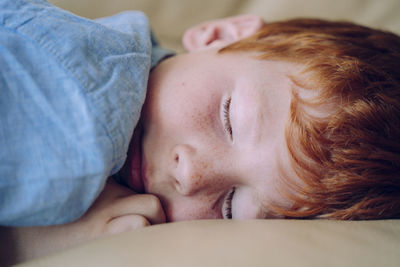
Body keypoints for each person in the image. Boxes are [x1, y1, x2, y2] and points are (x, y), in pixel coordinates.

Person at [1, 0, 400, 262]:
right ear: (221, 36)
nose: (190, 175)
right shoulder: (84, 93)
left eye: (230, 207)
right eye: (227, 118)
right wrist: (22, 242)